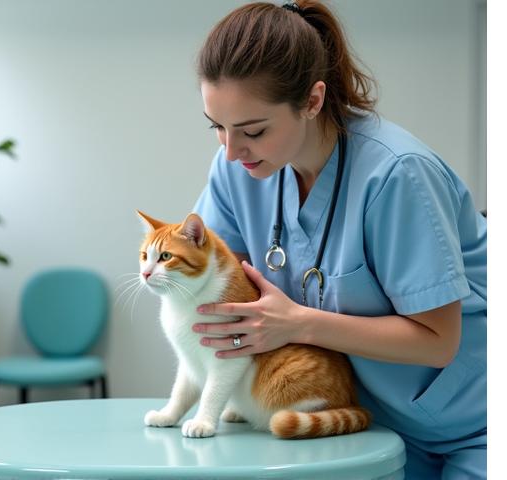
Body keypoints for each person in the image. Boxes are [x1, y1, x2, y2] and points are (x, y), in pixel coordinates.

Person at [191, 1, 487, 479]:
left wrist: (298, 324)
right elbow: (228, 304)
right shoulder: (236, 172)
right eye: (217, 128)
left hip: (476, 426)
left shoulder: (396, 174)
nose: (230, 151)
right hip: (363, 426)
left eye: (252, 130)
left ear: (312, 101)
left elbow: (438, 343)